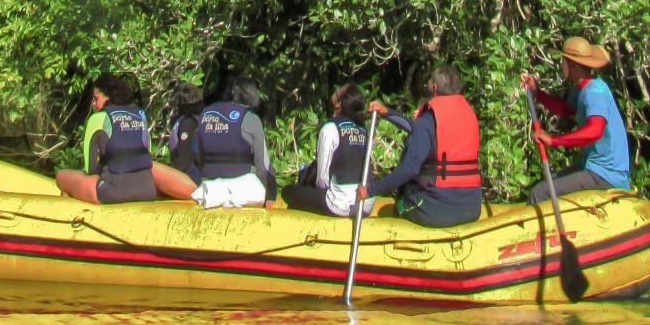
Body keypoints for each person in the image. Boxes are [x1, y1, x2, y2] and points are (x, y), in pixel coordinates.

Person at [356, 63, 483, 228]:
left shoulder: (429, 117)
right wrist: (387, 113)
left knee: (402, 199)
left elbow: (410, 167)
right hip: (472, 207)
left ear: (433, 86)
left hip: (439, 209)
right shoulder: (468, 111)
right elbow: (421, 131)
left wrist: (370, 190)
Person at [520, 36, 631, 204]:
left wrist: (553, 140)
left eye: (563, 61)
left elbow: (595, 130)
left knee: (540, 193)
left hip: (606, 174)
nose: (561, 65)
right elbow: (565, 109)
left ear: (572, 64)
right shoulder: (582, 89)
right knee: (544, 184)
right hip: (593, 167)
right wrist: (538, 93)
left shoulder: (594, 92)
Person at [281, 82, 411, 218]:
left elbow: (322, 180)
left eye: (338, 92)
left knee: (288, 192)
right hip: (366, 205)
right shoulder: (363, 130)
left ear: (339, 104)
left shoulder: (330, 128)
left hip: (340, 204)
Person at [153, 74, 278, 208]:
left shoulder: (204, 115)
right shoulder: (250, 117)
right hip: (243, 191)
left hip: (209, 190)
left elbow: (198, 157)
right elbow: (263, 166)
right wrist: (271, 192)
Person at [56, 73, 157, 204]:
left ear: (107, 97)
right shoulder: (140, 113)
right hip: (148, 190)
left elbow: (90, 169)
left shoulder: (98, 118)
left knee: (61, 176)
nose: (93, 104)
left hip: (114, 193)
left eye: (96, 98)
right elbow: (146, 153)